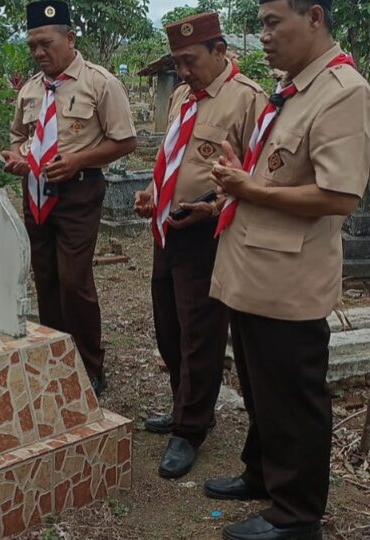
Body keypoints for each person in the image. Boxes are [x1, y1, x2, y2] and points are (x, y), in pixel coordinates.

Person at [206, 0, 370, 538]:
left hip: (289, 278)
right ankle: (263, 474)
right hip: (253, 265)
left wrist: (250, 186)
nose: (265, 35)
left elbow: (339, 195)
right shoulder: (295, 87)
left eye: (274, 22)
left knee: (293, 396)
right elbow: (278, 170)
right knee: (260, 384)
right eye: (261, 24)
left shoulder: (344, 92)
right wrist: (242, 174)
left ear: (315, 17)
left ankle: (298, 515)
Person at [134, 12, 266, 479]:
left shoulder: (247, 100)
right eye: (178, 62)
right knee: (169, 328)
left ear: (219, 50)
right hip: (168, 230)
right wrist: (153, 191)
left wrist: (213, 206)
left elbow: (259, 178)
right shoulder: (181, 96)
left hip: (208, 235)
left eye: (191, 61)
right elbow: (172, 154)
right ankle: (185, 406)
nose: (184, 71)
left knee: (200, 336)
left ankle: (190, 429)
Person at [2, 0, 136, 396]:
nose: (39, 53)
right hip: (36, 194)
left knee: (74, 282)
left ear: (70, 38)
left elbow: (125, 140)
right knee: (45, 278)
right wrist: (18, 157)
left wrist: (78, 159)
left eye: (46, 43)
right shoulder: (30, 89)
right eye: (33, 47)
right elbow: (18, 136)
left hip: (77, 193)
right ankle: (56, 358)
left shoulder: (100, 83)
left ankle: (89, 367)